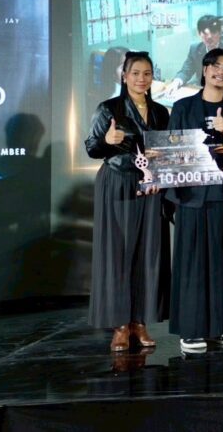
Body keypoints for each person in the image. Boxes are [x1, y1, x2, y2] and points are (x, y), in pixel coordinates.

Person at [84, 51, 170, 351]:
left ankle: (139, 321)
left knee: (147, 253)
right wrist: (106, 141)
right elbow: (92, 148)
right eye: (135, 73)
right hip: (118, 183)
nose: (141, 79)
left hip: (151, 187)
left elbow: (168, 151)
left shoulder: (161, 112)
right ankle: (120, 325)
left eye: (147, 73)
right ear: (124, 76)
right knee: (118, 253)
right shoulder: (109, 109)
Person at [166, 48, 223, 353]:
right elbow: (170, 152)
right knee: (191, 263)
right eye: (216, 65)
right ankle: (192, 329)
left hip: (222, 195)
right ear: (204, 70)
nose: (221, 72)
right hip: (189, 195)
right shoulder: (183, 107)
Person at [164, 15, 223, 95]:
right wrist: (176, 82)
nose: (209, 37)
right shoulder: (195, 49)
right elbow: (186, 71)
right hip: (200, 89)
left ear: (220, 33)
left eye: (213, 32)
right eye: (205, 33)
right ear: (199, 33)